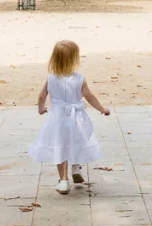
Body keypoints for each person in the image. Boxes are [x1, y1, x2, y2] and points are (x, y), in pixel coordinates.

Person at [29, 40, 110, 195]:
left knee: (60, 146)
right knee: (77, 141)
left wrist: (41, 109)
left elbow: (41, 97)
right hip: (76, 118)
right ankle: (76, 167)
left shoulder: (51, 78)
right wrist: (102, 109)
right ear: (74, 59)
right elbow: (90, 97)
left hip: (58, 119)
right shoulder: (79, 79)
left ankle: (64, 181)